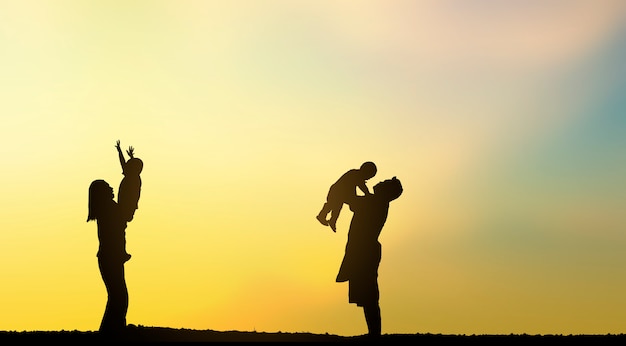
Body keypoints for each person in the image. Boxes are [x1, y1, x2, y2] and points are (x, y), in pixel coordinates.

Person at [335, 177, 403, 337]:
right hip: (365, 250)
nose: (380, 182)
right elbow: (353, 201)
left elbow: (350, 200)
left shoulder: (375, 203)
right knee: (367, 294)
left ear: (387, 192)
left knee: (369, 294)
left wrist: (349, 180)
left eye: (385, 183)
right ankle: (374, 332)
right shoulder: (375, 202)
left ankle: (374, 333)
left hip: (365, 251)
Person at [87, 179, 130, 337]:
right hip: (110, 257)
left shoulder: (106, 209)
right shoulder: (109, 209)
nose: (111, 188)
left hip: (108, 257)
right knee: (119, 296)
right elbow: (125, 214)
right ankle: (112, 331)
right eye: (107, 187)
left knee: (116, 296)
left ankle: (113, 329)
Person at [316, 161, 377, 232]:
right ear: (365, 172)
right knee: (332, 206)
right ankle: (322, 216)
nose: (368, 179)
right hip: (336, 192)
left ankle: (332, 220)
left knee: (337, 208)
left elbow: (357, 188)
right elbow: (362, 187)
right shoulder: (355, 175)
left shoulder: (357, 176)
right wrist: (367, 194)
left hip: (343, 194)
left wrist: (364, 195)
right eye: (369, 176)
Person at [115, 140, 143, 261]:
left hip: (125, 207)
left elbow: (134, 196)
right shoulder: (132, 177)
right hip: (124, 206)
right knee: (120, 229)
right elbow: (124, 164)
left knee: (120, 229)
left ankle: (121, 251)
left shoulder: (133, 179)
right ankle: (121, 251)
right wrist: (124, 153)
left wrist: (121, 151)